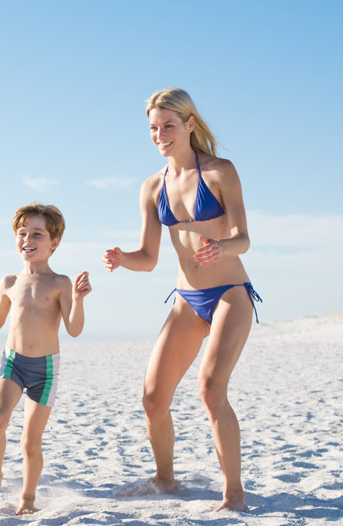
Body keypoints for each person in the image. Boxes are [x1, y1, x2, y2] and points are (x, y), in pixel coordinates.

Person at [102, 88, 261, 511]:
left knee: (210, 390)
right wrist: (122, 259)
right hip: (186, 300)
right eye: (153, 128)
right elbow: (149, 258)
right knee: (153, 399)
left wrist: (222, 247)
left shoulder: (220, 171)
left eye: (168, 126)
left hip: (229, 294)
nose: (160, 135)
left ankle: (234, 493)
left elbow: (243, 238)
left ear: (190, 124)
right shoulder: (153, 186)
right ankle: (165, 479)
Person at [0, 203, 91, 515]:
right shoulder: (8, 283)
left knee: (30, 441)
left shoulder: (60, 283)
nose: (27, 239)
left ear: (53, 243)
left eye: (37, 234)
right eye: (22, 233)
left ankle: (28, 497)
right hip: (12, 362)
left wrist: (79, 301)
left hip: (45, 370)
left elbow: (74, 328)